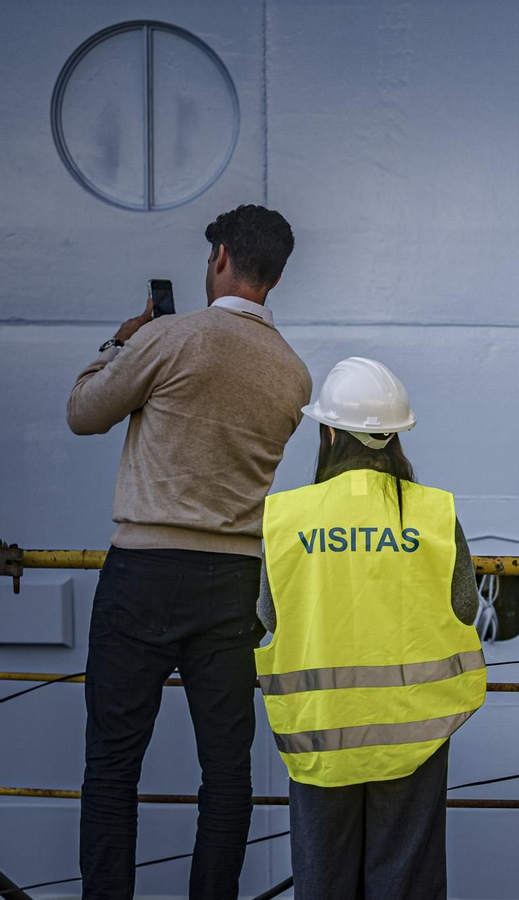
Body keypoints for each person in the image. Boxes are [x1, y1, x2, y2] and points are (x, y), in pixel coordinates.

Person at [65, 204, 310, 899]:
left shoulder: (171, 338)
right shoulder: (294, 374)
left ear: (222, 256)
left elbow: (84, 413)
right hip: (232, 581)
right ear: (279, 274)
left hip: (142, 571)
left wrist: (121, 345)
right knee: (227, 772)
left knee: (113, 765)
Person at [255, 357, 485, 900]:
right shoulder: (431, 513)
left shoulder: (288, 517)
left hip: (320, 733)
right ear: (395, 439)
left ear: (329, 432)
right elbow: (465, 605)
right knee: (405, 881)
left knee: (324, 879)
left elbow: (269, 614)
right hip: (414, 732)